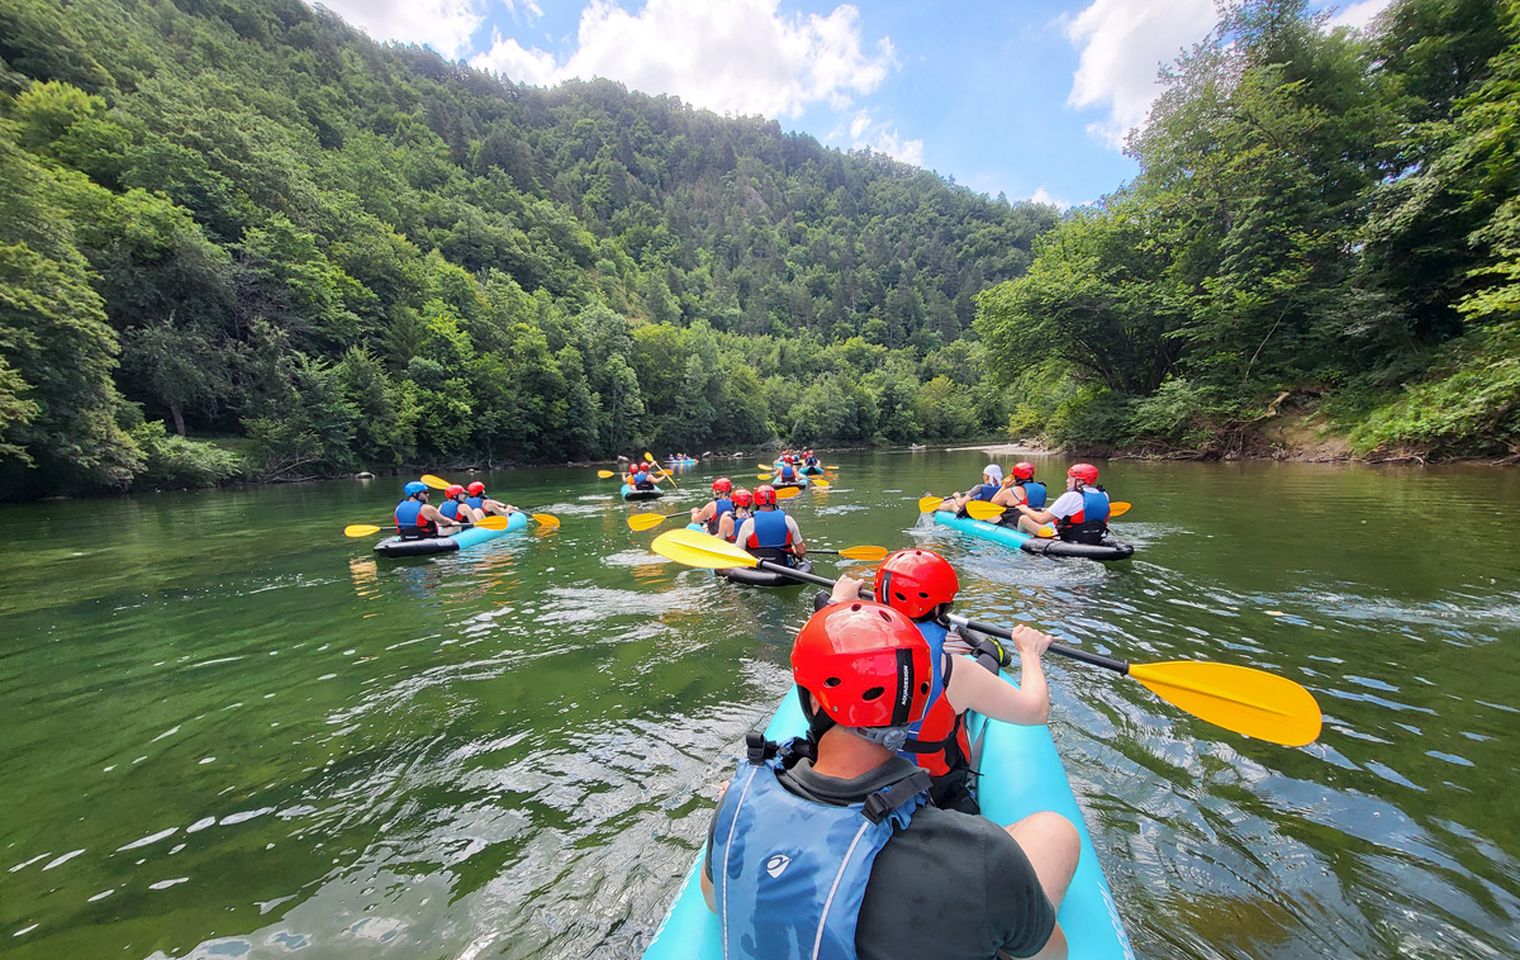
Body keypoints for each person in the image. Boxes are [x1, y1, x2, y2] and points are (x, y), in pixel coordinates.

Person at [700, 601, 1076, 960]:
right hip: (974, 868)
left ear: (814, 703)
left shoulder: (739, 801)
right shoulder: (979, 852)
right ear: (920, 697)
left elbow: (714, 900)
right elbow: (1051, 954)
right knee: (1055, 832)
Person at [817, 550, 1055, 813]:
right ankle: (990, 652)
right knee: (976, 672)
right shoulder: (956, 671)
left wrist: (836, 603)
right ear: (942, 606)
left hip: (855, 782)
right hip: (928, 790)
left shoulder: (847, 647)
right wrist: (1030, 653)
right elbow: (1036, 711)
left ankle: (987, 651)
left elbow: (818, 636)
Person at [1015, 463, 1111, 544]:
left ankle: (1024, 542)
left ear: (1080, 481)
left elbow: (1042, 519)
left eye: (1070, 478)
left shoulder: (1072, 496)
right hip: (1092, 537)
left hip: (1066, 538)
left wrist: (1024, 508)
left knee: (1024, 519)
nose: (1067, 481)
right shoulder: (1104, 495)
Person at [733, 485, 806, 565]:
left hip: (756, 569)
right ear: (774, 500)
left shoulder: (748, 523)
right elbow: (801, 551)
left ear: (756, 501)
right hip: (783, 566)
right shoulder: (788, 520)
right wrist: (794, 550)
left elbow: (739, 553)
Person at [393, 481, 463, 539]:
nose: (428, 495)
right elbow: (444, 521)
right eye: (425, 492)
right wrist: (452, 522)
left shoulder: (398, 508)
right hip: (426, 537)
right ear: (415, 494)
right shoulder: (427, 508)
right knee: (456, 524)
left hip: (405, 537)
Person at [939, 463, 1003, 515]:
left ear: (987, 476)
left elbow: (960, 503)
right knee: (950, 501)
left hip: (975, 513)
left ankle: (934, 510)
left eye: (984, 475)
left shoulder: (979, 488)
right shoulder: (1003, 487)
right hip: (992, 513)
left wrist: (957, 496)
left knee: (952, 503)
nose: (983, 477)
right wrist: (970, 493)